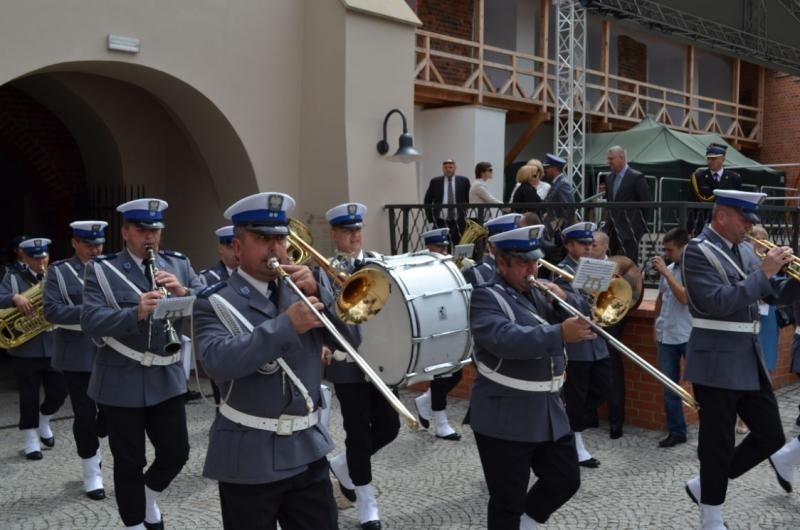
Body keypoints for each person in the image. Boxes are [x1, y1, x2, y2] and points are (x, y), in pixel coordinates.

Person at [193, 192, 355, 530]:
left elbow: (352, 343)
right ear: (237, 247)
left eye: (280, 239)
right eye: (262, 239)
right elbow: (216, 362)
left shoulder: (302, 290)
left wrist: (323, 296)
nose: (275, 248)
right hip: (249, 454)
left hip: (308, 449)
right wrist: (286, 326)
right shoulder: (215, 302)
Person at [81, 198, 205, 530]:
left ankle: (147, 494)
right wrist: (134, 312)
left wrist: (183, 291)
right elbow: (90, 320)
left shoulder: (178, 264)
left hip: (165, 374)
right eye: (141, 230)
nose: (149, 237)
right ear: (125, 232)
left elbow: (208, 303)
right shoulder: (102, 268)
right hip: (121, 376)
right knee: (129, 461)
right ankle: (134, 522)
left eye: (155, 230)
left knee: (176, 452)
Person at [681, 189, 800, 530]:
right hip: (715, 358)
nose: (749, 227)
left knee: (771, 436)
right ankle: (711, 515)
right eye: (745, 219)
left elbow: (771, 292)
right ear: (722, 216)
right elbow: (714, 302)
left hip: (747, 357)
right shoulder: (697, 251)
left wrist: (789, 279)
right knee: (717, 444)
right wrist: (764, 272)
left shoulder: (745, 250)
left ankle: (706, 484)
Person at [469, 224, 595, 529]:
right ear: (502, 263)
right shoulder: (485, 297)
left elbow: (587, 312)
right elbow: (506, 339)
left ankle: (528, 523)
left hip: (547, 409)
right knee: (507, 501)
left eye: (535, 261)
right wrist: (559, 332)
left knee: (566, 479)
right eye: (523, 263)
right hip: (504, 414)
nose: (532, 269)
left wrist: (564, 295)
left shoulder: (538, 292)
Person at [323, 202, 397, 530]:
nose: (354, 236)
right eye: (346, 231)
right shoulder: (321, 270)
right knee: (357, 432)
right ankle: (367, 501)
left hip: (379, 361)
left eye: (357, 229)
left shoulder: (379, 264)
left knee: (389, 427)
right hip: (347, 363)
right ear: (334, 234)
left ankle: (342, 465)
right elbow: (322, 315)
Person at [42, 221, 108, 499]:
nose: (95, 250)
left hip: (109, 350)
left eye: (99, 244)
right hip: (76, 354)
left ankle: (96, 447)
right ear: (74, 243)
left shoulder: (110, 268)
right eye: (88, 244)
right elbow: (52, 311)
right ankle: (91, 471)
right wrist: (93, 313)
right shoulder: (60, 271)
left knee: (109, 415)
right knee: (84, 414)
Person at [0, 237, 66, 461]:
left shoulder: (56, 275)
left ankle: (45, 418)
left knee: (59, 391)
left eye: (45, 256)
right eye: (36, 258)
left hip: (54, 345)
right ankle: (30, 438)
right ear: (25, 258)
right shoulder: (13, 276)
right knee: (28, 395)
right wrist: (14, 297)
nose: (41, 261)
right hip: (26, 349)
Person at [555, 222, 611, 468]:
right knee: (576, 396)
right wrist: (588, 297)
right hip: (577, 344)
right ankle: (576, 442)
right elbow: (566, 305)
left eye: (590, 244)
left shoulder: (595, 268)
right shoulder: (560, 271)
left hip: (596, 341)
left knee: (603, 388)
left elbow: (604, 302)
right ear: (569, 246)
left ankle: (568, 426)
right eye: (583, 244)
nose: (588, 248)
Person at [413, 228, 462, 441]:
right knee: (441, 375)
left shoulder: (447, 266)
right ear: (428, 248)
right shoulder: (421, 268)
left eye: (445, 247)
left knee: (456, 372)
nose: (443, 251)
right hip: (432, 325)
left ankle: (424, 401)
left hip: (451, 320)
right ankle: (441, 424)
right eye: (438, 247)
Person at [651, 227, 692, 448]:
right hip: (666, 335)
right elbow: (661, 297)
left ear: (683, 247)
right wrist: (654, 324)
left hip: (687, 334)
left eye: (671, 250)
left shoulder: (692, 269)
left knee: (702, 386)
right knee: (669, 388)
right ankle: (677, 431)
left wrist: (666, 273)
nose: (667, 254)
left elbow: (684, 298)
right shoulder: (670, 267)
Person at [198, 225, 237, 405]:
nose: (235, 251)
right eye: (230, 246)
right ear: (221, 248)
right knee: (223, 403)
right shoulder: (208, 278)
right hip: (223, 345)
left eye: (238, 245)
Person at [604, 145, 651, 264]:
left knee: (629, 263)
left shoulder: (636, 177)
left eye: (611, 159)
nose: (609, 162)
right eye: (608, 159)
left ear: (622, 157)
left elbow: (647, 204)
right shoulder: (609, 178)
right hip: (612, 229)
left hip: (631, 229)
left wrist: (640, 226)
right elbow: (610, 203)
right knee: (612, 262)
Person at [689, 144, 742, 233]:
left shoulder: (734, 178)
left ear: (722, 159)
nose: (710, 161)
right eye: (708, 158)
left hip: (726, 223)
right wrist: (689, 227)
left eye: (713, 159)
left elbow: (737, 203)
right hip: (704, 223)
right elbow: (692, 201)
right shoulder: (699, 176)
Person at [461, 212, 522, 287]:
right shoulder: (477, 272)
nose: (515, 245)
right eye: (509, 240)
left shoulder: (518, 266)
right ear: (493, 243)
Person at [423, 158, 471, 242]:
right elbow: (427, 200)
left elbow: (469, 199)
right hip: (441, 220)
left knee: (459, 244)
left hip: (459, 220)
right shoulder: (435, 182)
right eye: (445, 167)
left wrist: (466, 213)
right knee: (441, 245)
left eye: (450, 167)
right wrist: (431, 218)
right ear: (442, 169)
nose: (448, 169)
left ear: (455, 168)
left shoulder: (464, 181)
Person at [542, 153, 575, 228]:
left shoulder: (562, 184)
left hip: (560, 228)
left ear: (554, 168)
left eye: (547, 167)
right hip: (554, 226)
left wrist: (566, 229)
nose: (545, 170)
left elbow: (569, 207)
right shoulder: (557, 183)